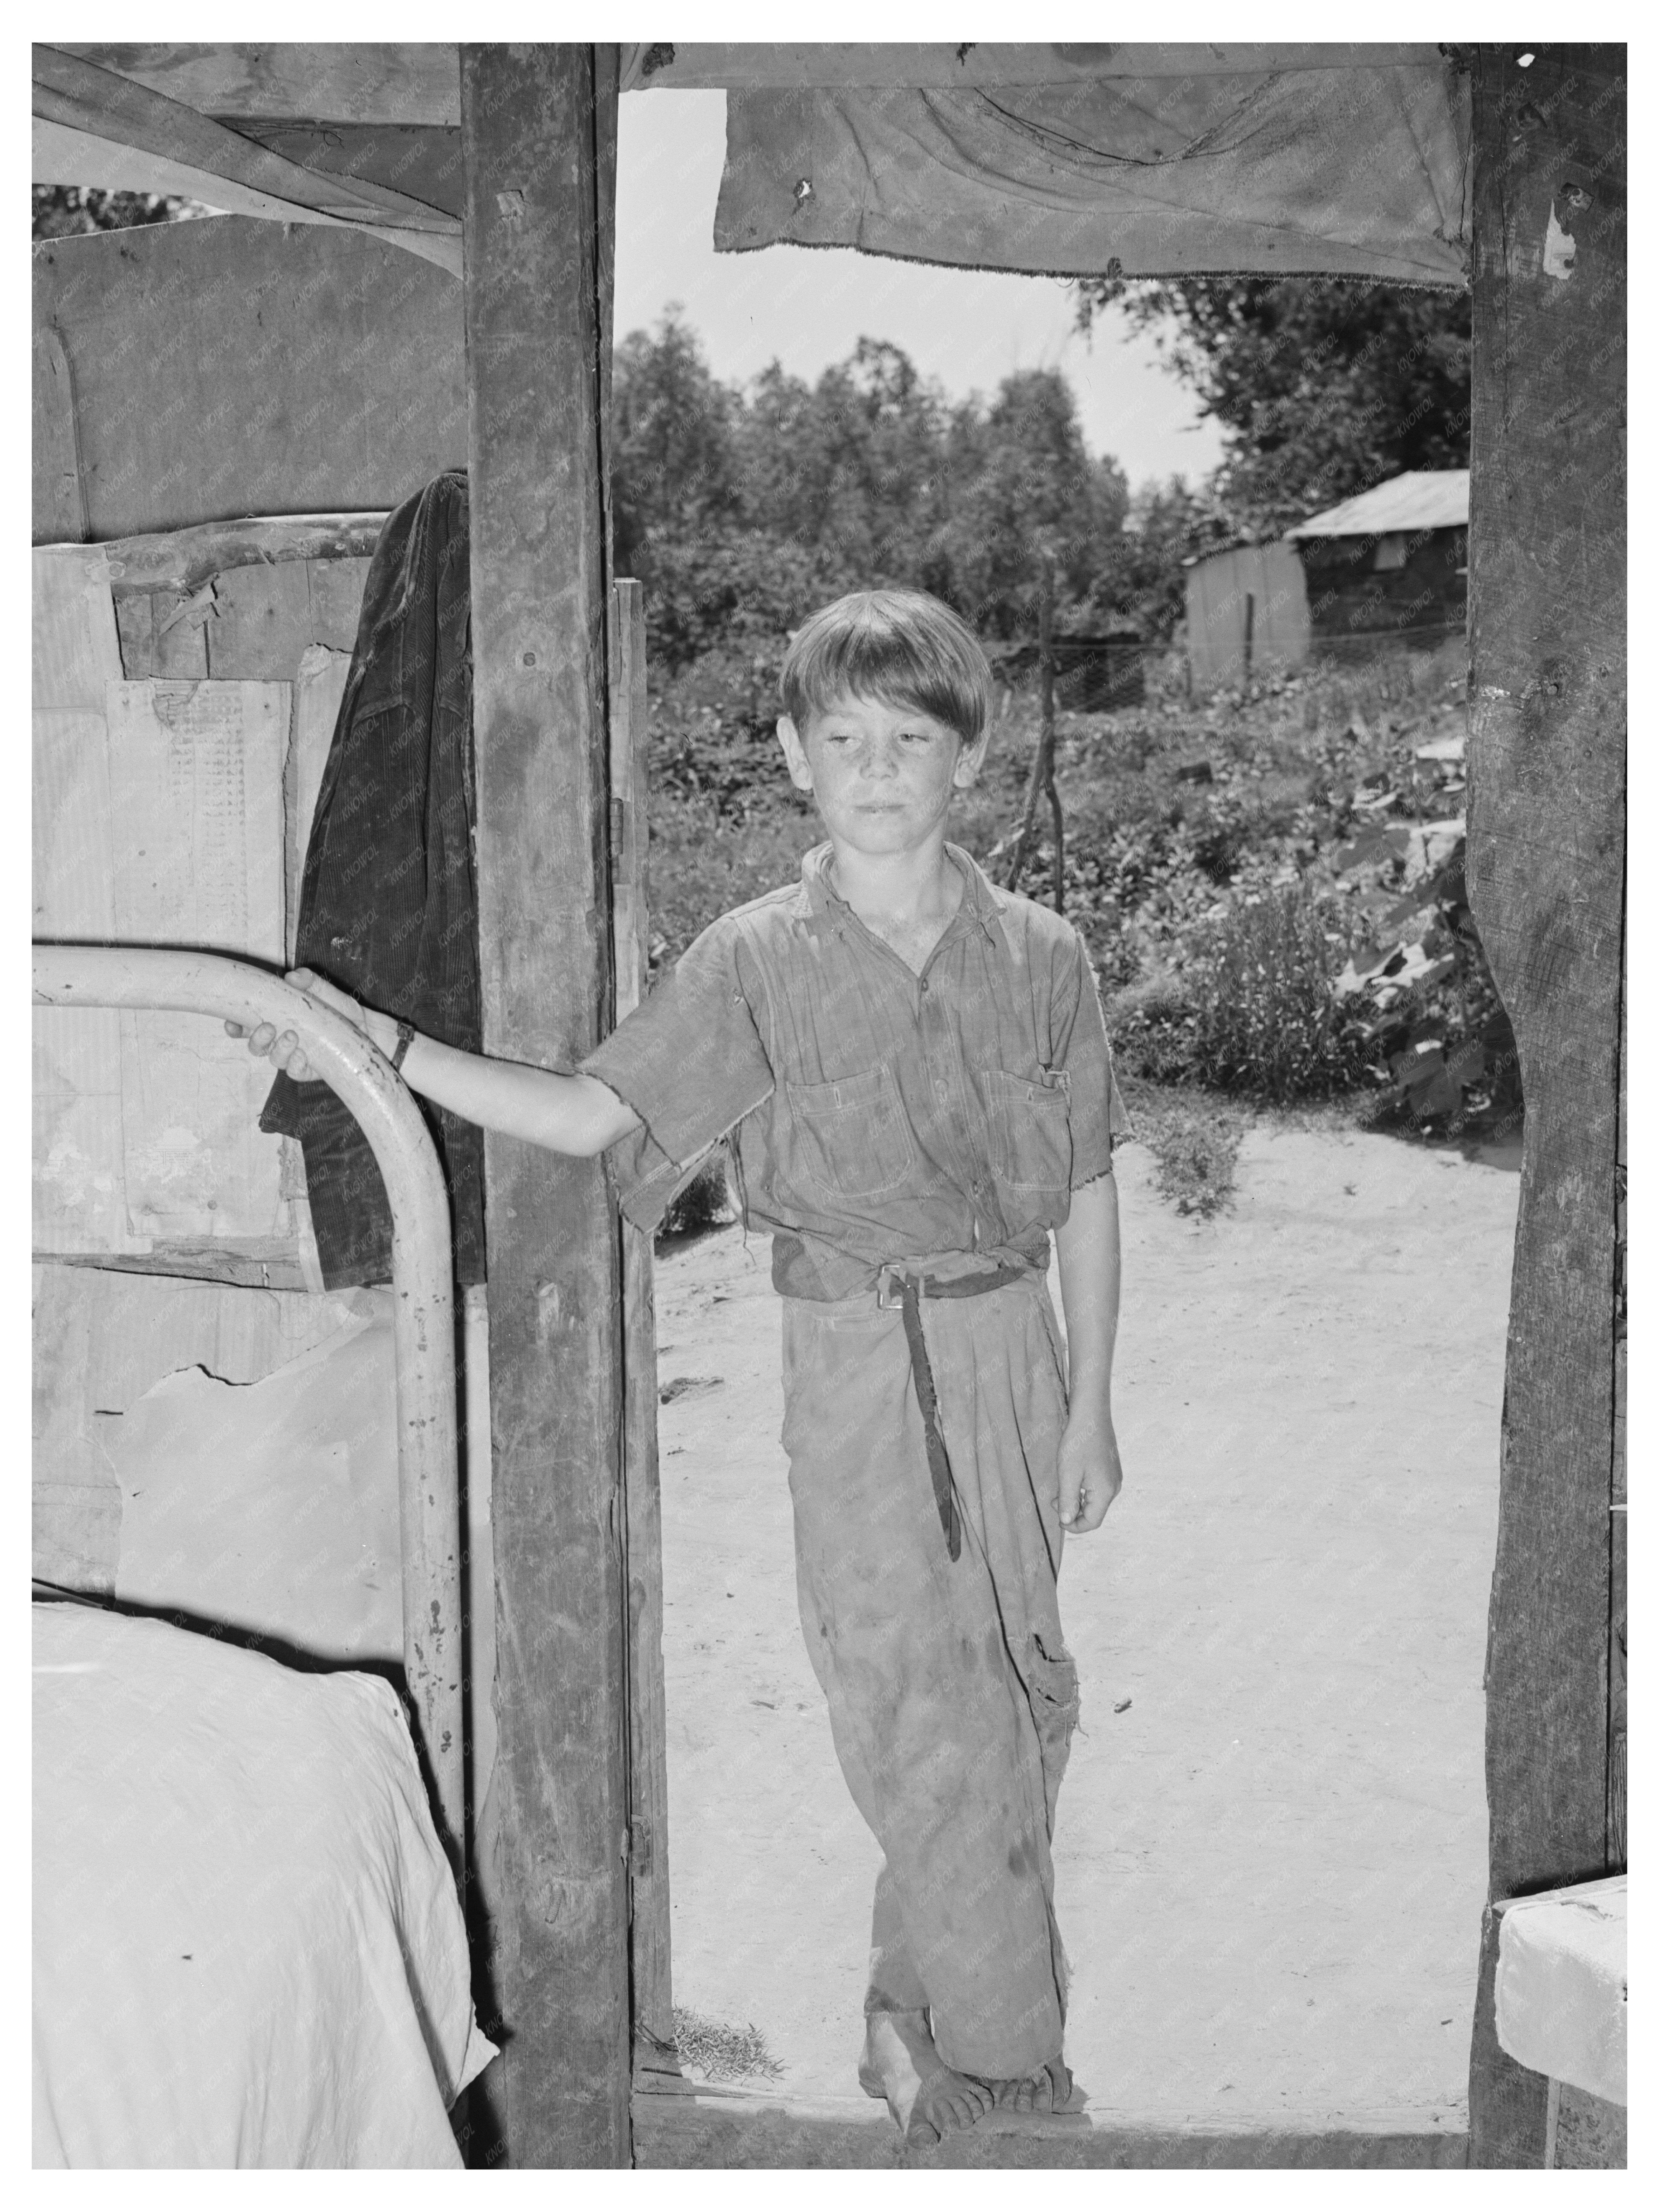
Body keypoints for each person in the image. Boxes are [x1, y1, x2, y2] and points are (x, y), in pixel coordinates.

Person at [233, 587, 1128, 2144]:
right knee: (932, 1721)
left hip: (1018, 1354)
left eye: (909, 741)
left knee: (1021, 1701)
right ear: (792, 756)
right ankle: (1004, 2102)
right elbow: (592, 1113)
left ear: (966, 761)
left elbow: (1099, 1189)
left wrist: (1096, 1401)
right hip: (856, 1363)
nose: (876, 769)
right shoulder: (756, 961)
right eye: (841, 739)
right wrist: (380, 1045)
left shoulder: (1046, 959)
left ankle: (909, 2015)